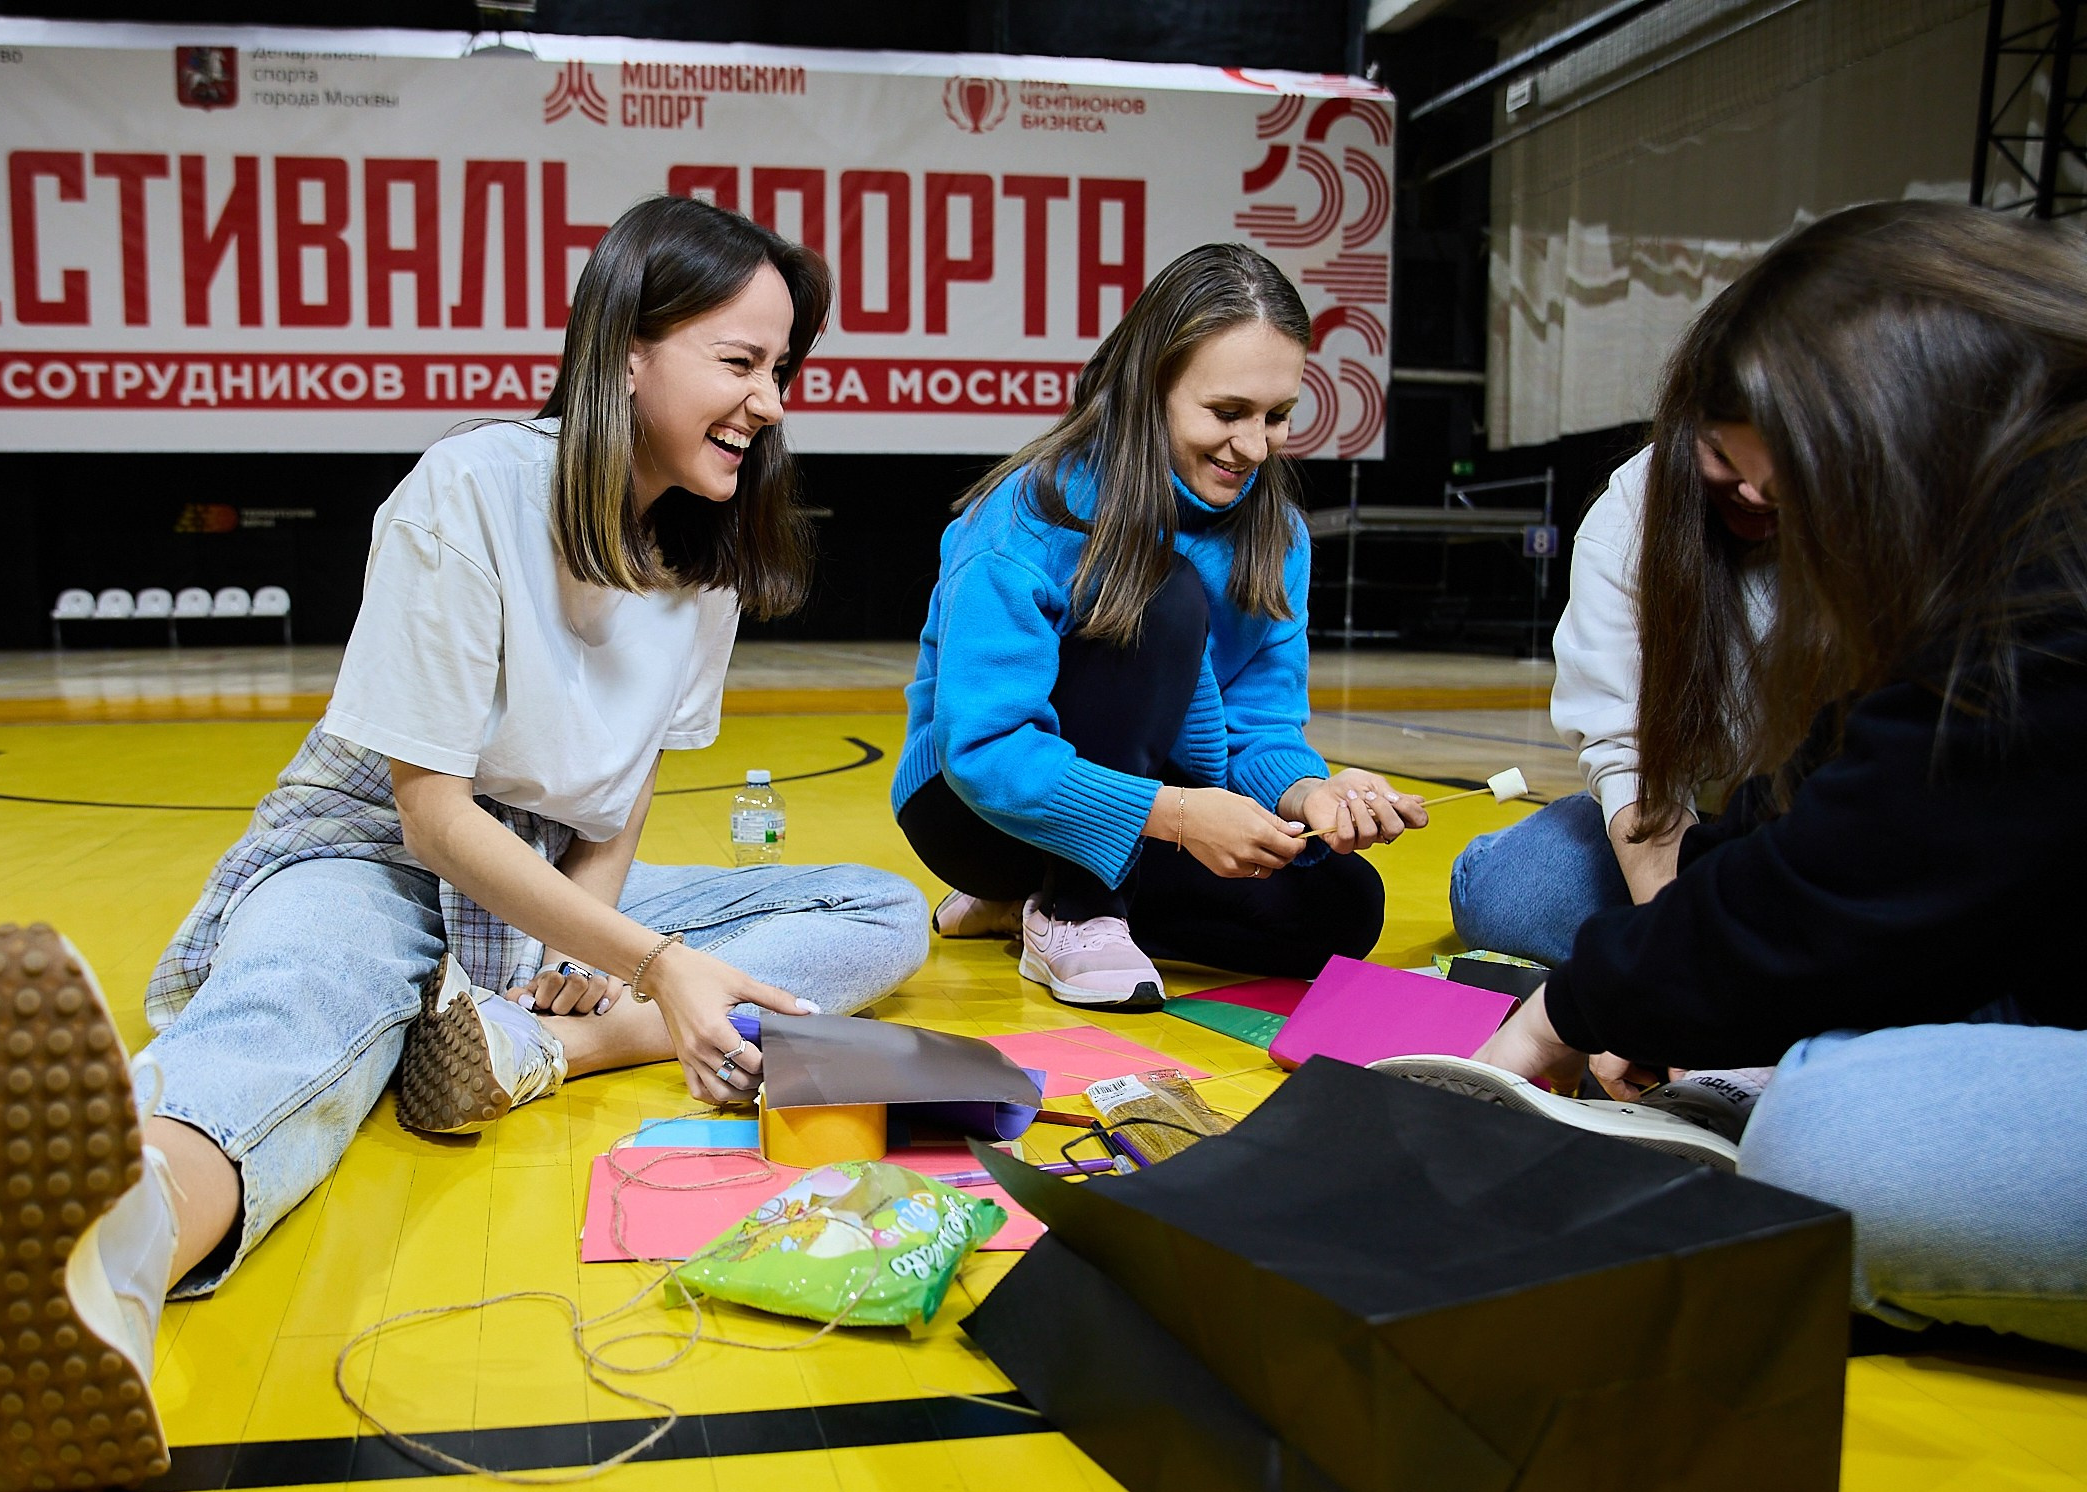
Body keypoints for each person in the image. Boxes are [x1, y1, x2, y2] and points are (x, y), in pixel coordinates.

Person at [0, 196, 932, 1492]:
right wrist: (656, 961)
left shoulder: (701, 559)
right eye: (740, 360)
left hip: (544, 878)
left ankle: (546, 1044)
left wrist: (587, 958)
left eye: (782, 369)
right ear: (626, 351)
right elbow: (429, 813)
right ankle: (113, 1255)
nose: (769, 400)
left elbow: (625, 787)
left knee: (878, 906)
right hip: (374, 845)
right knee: (305, 999)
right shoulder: (471, 489)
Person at [1428, 202, 2087, 1352]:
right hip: (1792, 853)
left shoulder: (2048, 578)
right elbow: (1842, 813)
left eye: (1773, 486)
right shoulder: (1978, 532)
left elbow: (1870, 859)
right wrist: (1661, 979)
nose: (1746, 502)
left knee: (1834, 1140)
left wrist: (1577, 1007)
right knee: (1535, 885)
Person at [893, 242, 1424, 1010]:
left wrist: (1309, 794)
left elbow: (1260, 728)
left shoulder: (1278, 537)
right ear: (1151, 387)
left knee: (1343, 908)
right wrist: (1175, 815)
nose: (1255, 447)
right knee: (1158, 588)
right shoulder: (1029, 514)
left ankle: (1033, 907)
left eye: (1277, 416)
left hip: (1154, 806)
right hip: (974, 809)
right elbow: (983, 749)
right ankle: (1075, 910)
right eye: (1227, 413)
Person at [1445, 432, 1777, 967]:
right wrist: (1680, 951)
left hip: (1814, 817)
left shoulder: (1893, 493)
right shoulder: (1633, 509)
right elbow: (1630, 753)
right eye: (1724, 457)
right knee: (1514, 900)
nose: (1757, 491)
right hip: (1682, 813)